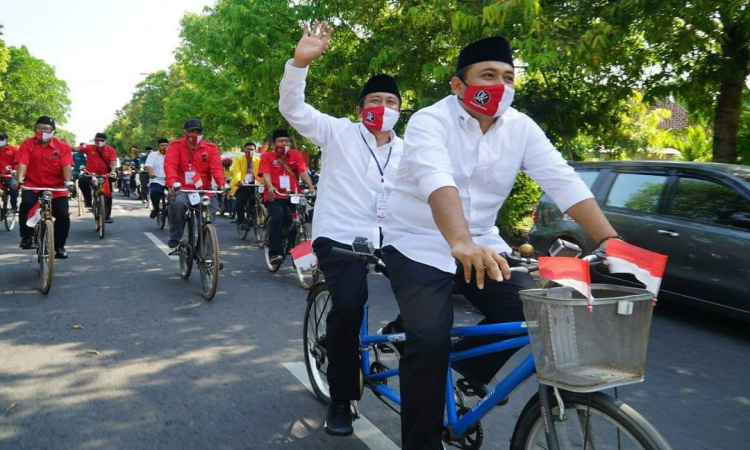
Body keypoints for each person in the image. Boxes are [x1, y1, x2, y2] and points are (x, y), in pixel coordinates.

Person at [381, 37, 622, 449]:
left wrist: (611, 240)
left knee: (541, 311)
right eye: (488, 75)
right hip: (416, 242)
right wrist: (458, 240)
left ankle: (468, 370)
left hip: (483, 245)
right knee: (429, 341)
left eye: (508, 77)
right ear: (458, 85)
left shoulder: (521, 127)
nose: (500, 85)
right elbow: (437, 177)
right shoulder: (429, 120)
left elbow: (562, 180)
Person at [279, 20, 405, 436]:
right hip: (340, 238)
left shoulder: (412, 149)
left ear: (399, 110)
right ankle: (340, 398)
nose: (382, 106)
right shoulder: (338, 133)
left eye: (390, 100)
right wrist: (300, 63)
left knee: (434, 293)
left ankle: (393, 334)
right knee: (350, 303)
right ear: (359, 108)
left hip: (394, 239)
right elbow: (294, 110)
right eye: (374, 99)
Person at [12, 116, 74, 259]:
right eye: (39, 128)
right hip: (32, 184)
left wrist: (68, 182)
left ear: (53, 131)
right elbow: (23, 163)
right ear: (35, 129)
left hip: (56, 187)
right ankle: (26, 237)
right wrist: (20, 180)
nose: (42, 131)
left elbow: (66, 166)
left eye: (46, 129)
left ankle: (59, 246)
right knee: (26, 204)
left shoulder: (62, 147)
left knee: (63, 215)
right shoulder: (28, 144)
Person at [164, 118, 227, 249]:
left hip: (204, 190)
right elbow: (170, 166)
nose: (195, 135)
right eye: (191, 132)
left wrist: (222, 183)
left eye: (198, 132)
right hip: (182, 189)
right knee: (178, 204)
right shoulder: (175, 146)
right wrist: (172, 182)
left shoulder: (211, 148)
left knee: (208, 217)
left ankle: (207, 255)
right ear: (184, 133)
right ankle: (176, 236)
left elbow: (216, 168)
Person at [258, 129, 316, 265]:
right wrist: (270, 186)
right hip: (275, 195)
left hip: (293, 194)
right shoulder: (267, 157)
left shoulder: (295, 155)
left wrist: (311, 186)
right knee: (277, 217)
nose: (284, 143)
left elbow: (302, 172)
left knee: (297, 220)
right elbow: (265, 173)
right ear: (274, 143)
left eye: (286, 141)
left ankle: (291, 247)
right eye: (280, 141)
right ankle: (274, 253)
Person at [78, 133, 117, 223]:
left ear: (105, 141)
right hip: (90, 174)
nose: (98, 142)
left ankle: (107, 216)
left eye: (101, 140)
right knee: (82, 180)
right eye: (97, 140)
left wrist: (112, 171)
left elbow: (113, 162)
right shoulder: (89, 147)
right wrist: (62, 145)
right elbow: (75, 148)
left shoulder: (110, 150)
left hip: (105, 175)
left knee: (108, 194)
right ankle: (88, 201)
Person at [229, 142, 262, 229]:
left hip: (255, 183)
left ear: (255, 151)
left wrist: (263, 182)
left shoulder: (258, 160)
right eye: (248, 149)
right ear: (244, 150)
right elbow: (237, 171)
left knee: (256, 200)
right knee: (240, 201)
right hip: (241, 183)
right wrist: (239, 180)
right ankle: (241, 222)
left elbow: (261, 173)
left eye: (252, 149)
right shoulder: (238, 159)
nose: (250, 151)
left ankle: (250, 218)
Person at [145, 139, 168, 219]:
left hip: (170, 179)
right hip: (157, 179)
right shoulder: (153, 155)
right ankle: (156, 208)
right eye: (162, 145)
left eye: (166, 145)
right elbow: (149, 165)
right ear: (158, 146)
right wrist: (151, 173)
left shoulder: (172, 154)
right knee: (155, 192)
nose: (164, 147)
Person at [0, 131, 20, 212]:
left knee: (14, 187)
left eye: (1, 139)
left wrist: (15, 170)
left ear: (6, 140)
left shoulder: (14, 150)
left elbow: (18, 162)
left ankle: (14, 205)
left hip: (9, 176)